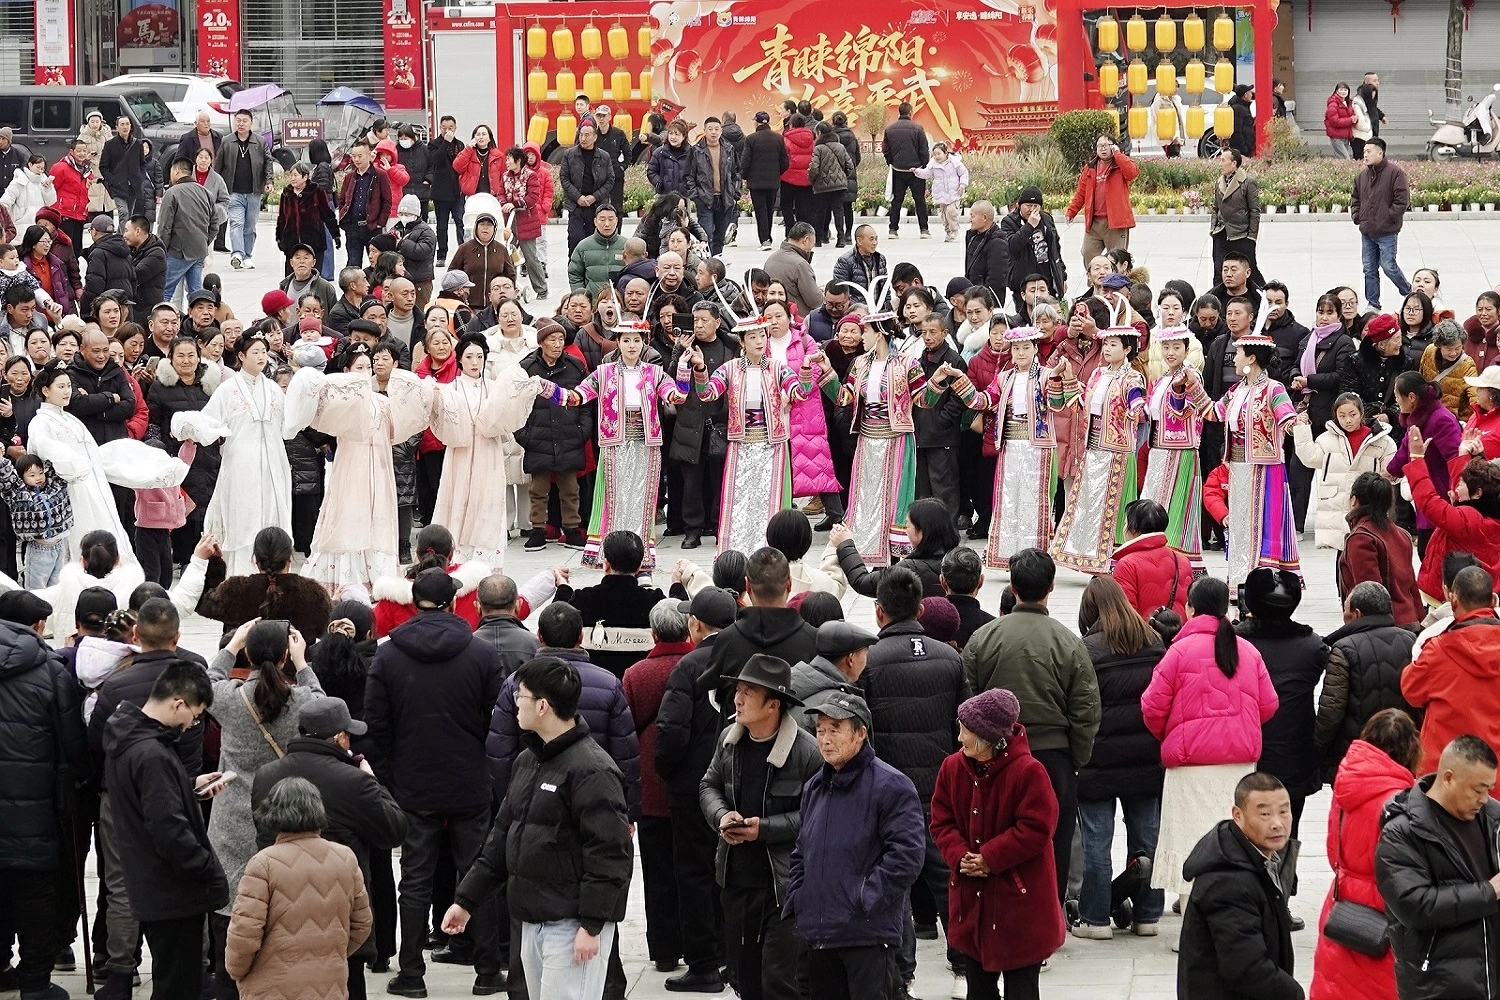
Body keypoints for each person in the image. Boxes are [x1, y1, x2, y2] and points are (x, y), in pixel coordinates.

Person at [441, 656, 633, 1000]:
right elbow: (502, 839)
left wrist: (591, 925)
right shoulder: (528, 761)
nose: (515, 702)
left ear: (543, 706)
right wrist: (466, 900)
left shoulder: (592, 769)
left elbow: (610, 854)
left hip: (572, 924)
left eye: (522, 696)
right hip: (531, 919)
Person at [365, 567, 505, 997]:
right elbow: (497, 721)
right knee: (478, 873)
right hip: (468, 781)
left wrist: (390, 778)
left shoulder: (388, 656)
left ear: (414, 603)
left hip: (414, 784)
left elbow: (375, 726)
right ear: (452, 603)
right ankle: (486, 972)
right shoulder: (480, 654)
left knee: (415, 879)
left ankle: (411, 975)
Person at [853, 565, 969, 985]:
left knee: (895, 882)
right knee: (948, 879)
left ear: (879, 611)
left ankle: (903, 974)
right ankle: (962, 968)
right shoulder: (950, 658)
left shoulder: (871, 662)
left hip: (889, 791)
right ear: (920, 608)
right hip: (941, 791)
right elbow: (965, 728)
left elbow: (862, 732)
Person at [962, 546, 1097, 903]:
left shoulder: (983, 639)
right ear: (1051, 586)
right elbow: (1086, 710)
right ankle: (1046, 924)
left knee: (998, 839)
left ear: (1013, 588)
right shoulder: (1068, 641)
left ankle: (1001, 918)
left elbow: (966, 701)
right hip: (1054, 758)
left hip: (996, 758)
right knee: (1053, 842)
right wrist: (1075, 759)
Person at [1141, 576, 1280, 904]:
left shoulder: (1178, 651)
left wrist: (1172, 734)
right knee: (1236, 839)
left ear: (1190, 608)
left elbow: (1152, 706)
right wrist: (1238, 728)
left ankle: (1193, 924)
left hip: (1191, 766)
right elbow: (1269, 704)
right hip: (1240, 764)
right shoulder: (1247, 650)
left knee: (1192, 841)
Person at [696, 654, 821, 1000]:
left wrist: (762, 829)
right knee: (743, 980)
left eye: (748, 692)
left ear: (773, 705)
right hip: (736, 883)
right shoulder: (729, 741)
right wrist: (722, 816)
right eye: (738, 689)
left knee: (779, 983)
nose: (737, 698)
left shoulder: (806, 753)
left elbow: (815, 817)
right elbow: (708, 786)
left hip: (784, 889)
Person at [786, 690, 925, 999]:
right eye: (820, 730)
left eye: (835, 729)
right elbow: (801, 851)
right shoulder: (815, 786)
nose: (824, 739)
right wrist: (799, 897)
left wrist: (865, 896)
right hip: (817, 935)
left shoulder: (892, 785)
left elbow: (907, 856)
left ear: (861, 733)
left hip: (866, 935)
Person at [102, 660, 228, 1000]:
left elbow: (147, 797)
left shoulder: (127, 735)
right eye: (195, 714)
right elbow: (168, 829)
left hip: (151, 883)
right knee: (178, 987)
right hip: (173, 892)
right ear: (177, 703)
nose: (192, 724)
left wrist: (188, 785)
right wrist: (206, 868)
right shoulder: (152, 752)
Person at [929, 688, 1064, 1000]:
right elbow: (941, 820)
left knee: (1022, 990)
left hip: (1019, 907)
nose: (959, 738)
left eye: (965, 731)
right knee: (979, 990)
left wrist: (989, 858)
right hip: (972, 905)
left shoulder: (1029, 772)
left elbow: (1037, 828)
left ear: (988, 737)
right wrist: (960, 855)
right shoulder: (952, 767)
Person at [532, 325, 688, 570]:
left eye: (637, 340)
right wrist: (546, 387)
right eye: (626, 340)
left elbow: (677, 397)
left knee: (643, 500)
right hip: (614, 444)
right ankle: (611, 554)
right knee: (614, 500)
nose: (632, 345)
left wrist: (683, 368)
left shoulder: (655, 373)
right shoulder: (603, 373)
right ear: (618, 342)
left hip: (646, 444)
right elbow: (575, 398)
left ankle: (641, 554)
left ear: (644, 343)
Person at [1070, 577, 1167, 941]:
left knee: (1097, 841)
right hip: (1146, 758)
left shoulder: (1087, 649)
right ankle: (1148, 916)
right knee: (1148, 838)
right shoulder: (1154, 642)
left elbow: (1078, 707)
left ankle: (1095, 920)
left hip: (1098, 760)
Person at [0, 613, 88, 1000]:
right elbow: (73, 742)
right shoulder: (50, 671)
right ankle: (35, 983)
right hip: (35, 807)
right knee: (35, 892)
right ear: (36, 626)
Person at [224, 776, 372, 1000]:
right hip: (330, 984)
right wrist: (329, 956)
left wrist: (238, 972)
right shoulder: (345, 858)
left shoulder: (263, 864)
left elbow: (244, 932)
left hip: (271, 985)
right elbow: (362, 924)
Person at [1377, 734, 1500, 1000]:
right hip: (1438, 984)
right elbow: (1416, 906)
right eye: (1477, 790)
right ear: (1448, 777)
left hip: (1492, 975)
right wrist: (1490, 892)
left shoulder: (1493, 817)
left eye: (1489, 789)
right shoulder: (1402, 832)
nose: (1484, 799)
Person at [686, 311, 818, 557]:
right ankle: (736, 551)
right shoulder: (730, 369)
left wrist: (807, 369)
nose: (759, 341)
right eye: (753, 337)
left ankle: (769, 551)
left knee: (769, 499)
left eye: (762, 336)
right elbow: (707, 394)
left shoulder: (779, 369)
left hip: (772, 445)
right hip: (741, 444)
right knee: (740, 499)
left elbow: (800, 394)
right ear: (742, 341)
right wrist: (701, 368)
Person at [618, 600, 696, 975]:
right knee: (696, 870)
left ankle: (664, 950)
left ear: (653, 633)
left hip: (651, 789)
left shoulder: (636, 674)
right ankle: (698, 943)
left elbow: (626, 732)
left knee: (658, 871)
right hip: (696, 787)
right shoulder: (700, 667)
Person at [1177, 772, 1304, 1000]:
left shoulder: (1257, 858)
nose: (1277, 823)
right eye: (1264, 814)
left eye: (1284, 811)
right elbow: (1245, 968)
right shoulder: (1228, 881)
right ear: (1238, 815)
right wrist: (1294, 994)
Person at [1050, 318, 1145, 574]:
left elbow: (1137, 403)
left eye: (1114, 345)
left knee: (1113, 506)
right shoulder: (1098, 374)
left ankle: (1114, 559)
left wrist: (1137, 410)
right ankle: (1090, 556)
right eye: (1105, 344)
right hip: (1093, 448)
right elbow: (1080, 404)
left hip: (1117, 451)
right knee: (1090, 504)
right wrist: (1068, 378)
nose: (1107, 349)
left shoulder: (1132, 377)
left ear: (1127, 349)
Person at [1316, 582, 1418, 779]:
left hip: (1358, 751)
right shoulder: (1410, 641)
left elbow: (1332, 709)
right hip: (1402, 747)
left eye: (1345, 611)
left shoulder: (1344, 649)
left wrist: (1318, 746)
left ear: (1357, 614)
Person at [1294, 395, 1398, 552]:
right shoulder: (1326, 439)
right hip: (1336, 510)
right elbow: (1309, 458)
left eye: (1352, 414)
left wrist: (1391, 474)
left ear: (1362, 414)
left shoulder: (1382, 441)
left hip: (1369, 506)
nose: (1347, 420)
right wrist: (1302, 428)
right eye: (1342, 416)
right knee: (1342, 558)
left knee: (1367, 554)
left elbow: (1393, 473)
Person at [1350, 139, 1411, 311]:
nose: (1365, 154)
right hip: (1367, 231)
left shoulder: (1395, 173)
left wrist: (1388, 217)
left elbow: (1402, 200)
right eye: (1364, 151)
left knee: (1388, 266)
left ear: (1380, 153)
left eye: (1369, 151)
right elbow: (1355, 199)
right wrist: (1357, 216)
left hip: (1387, 232)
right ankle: (1373, 304)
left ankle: (1408, 292)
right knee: (1369, 269)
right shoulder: (1361, 176)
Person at [1065, 134, 1137, 268]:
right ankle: (1094, 285)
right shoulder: (1090, 167)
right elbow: (1081, 192)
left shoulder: (1120, 164)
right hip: (1094, 223)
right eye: (1100, 146)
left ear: (1113, 147)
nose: (1103, 149)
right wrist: (1071, 211)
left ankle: (1116, 286)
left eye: (1106, 145)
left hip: (1115, 223)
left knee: (1117, 259)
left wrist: (1118, 154)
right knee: (1087, 252)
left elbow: (1132, 173)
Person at [212, 109, 272, 270]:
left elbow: (268, 163)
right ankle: (237, 254)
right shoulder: (227, 141)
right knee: (236, 223)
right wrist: (216, 187)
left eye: (244, 120)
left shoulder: (259, 142)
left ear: (251, 122)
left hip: (254, 192)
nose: (241, 123)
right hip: (233, 191)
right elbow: (218, 166)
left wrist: (269, 181)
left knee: (250, 226)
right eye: (238, 120)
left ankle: (247, 256)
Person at [156, 158, 215, 304]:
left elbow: (164, 226)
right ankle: (199, 323)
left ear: (176, 170)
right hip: (199, 250)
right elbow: (215, 223)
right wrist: (205, 241)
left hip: (178, 251)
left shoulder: (172, 193)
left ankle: (164, 322)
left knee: (165, 292)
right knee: (196, 294)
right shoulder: (206, 193)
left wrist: (161, 249)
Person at [1209, 148, 1262, 286]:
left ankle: (1265, 298)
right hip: (1221, 234)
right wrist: (1213, 228)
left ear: (1233, 163)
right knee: (1219, 272)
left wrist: (1251, 237)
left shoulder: (1248, 182)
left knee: (1251, 272)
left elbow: (1255, 211)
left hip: (1241, 235)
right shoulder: (1219, 182)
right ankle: (1217, 304)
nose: (1220, 163)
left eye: (1223, 160)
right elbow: (1215, 208)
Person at [336, 142, 392, 271]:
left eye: (360, 156)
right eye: (354, 156)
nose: (356, 159)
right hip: (353, 227)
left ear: (368, 155)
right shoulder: (350, 176)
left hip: (372, 226)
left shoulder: (380, 175)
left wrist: (380, 223)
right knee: (353, 265)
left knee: (378, 264)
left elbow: (387, 201)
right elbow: (343, 199)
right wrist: (344, 219)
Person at [559, 123, 614, 254]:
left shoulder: (604, 156)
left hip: (596, 204)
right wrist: (578, 197)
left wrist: (595, 196)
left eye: (587, 135)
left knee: (594, 239)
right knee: (575, 238)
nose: (583, 138)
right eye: (581, 135)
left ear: (595, 137)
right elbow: (564, 178)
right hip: (576, 204)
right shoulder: (569, 155)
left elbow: (610, 180)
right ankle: (574, 268)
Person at [881, 103, 930, 239]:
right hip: (916, 170)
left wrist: (891, 162)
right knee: (919, 200)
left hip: (898, 169)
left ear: (899, 112)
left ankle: (893, 230)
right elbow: (924, 150)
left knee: (896, 200)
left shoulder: (889, 129)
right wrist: (924, 167)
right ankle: (924, 230)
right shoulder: (918, 129)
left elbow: (886, 149)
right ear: (910, 113)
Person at [962, 201, 1010, 309]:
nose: (970, 220)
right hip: (972, 297)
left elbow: (996, 280)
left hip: (987, 303)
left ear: (984, 218)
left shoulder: (997, 243)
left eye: (972, 216)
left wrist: (984, 302)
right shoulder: (972, 236)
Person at [1324, 83, 1359, 159]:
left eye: (1345, 90)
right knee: (1345, 159)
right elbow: (1334, 121)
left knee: (1342, 161)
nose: (1343, 92)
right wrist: (1350, 120)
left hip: (1346, 136)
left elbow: (1353, 116)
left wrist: (1355, 119)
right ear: (1336, 91)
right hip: (1336, 136)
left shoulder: (1349, 103)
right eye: (1341, 89)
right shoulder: (1333, 104)